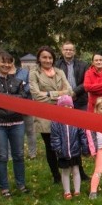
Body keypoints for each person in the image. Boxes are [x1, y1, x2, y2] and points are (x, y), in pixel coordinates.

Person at [0, 50, 30, 197]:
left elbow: (22, 98)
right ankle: (4, 187)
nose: (6, 65)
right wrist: (9, 99)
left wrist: (3, 98)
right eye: (3, 61)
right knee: (2, 156)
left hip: (16, 121)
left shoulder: (16, 80)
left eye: (9, 62)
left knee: (19, 155)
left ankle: (21, 184)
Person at [29, 45, 73, 184]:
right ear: (39, 58)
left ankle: (69, 171)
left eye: (50, 57)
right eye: (44, 57)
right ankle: (56, 175)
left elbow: (69, 91)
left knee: (66, 142)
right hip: (44, 114)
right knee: (50, 146)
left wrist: (48, 94)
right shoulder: (34, 73)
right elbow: (36, 95)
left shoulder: (60, 72)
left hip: (62, 113)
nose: (47, 60)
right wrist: (59, 95)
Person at [49, 95, 88, 199]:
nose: (67, 108)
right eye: (64, 106)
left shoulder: (76, 120)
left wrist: (84, 148)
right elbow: (55, 137)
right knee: (65, 172)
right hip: (63, 152)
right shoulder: (56, 122)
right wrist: (58, 149)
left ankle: (77, 190)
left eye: (69, 105)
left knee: (76, 170)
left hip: (75, 151)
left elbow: (82, 135)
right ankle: (67, 191)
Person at [11, 57, 36, 159]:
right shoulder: (4, 75)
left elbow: (30, 85)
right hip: (11, 108)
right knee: (14, 131)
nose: (7, 64)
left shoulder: (24, 72)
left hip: (26, 104)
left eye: (9, 61)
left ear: (13, 61)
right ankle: (15, 153)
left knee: (30, 130)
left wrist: (20, 92)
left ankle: (32, 154)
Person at [56, 41, 89, 110]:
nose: (68, 51)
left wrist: (74, 92)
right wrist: (65, 94)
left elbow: (86, 82)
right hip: (62, 100)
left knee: (81, 120)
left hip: (80, 100)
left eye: (70, 50)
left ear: (74, 52)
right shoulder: (56, 65)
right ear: (62, 51)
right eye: (66, 50)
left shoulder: (83, 65)